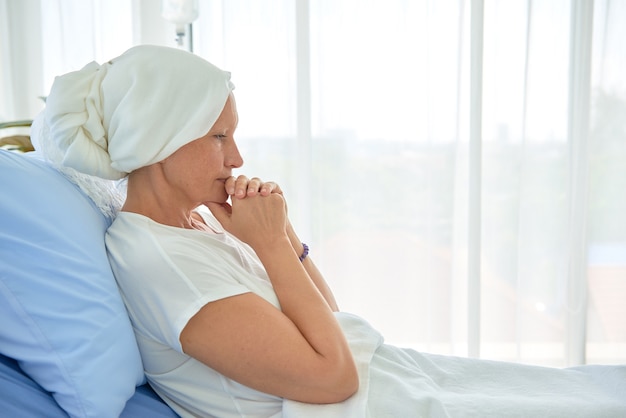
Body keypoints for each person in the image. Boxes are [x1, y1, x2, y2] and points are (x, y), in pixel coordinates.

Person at [37, 45, 626, 418]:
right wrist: (266, 246)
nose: (236, 157)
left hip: (384, 382)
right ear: (157, 140)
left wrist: (285, 240)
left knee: (595, 394)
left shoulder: (191, 227)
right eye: (218, 136)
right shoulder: (156, 261)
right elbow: (331, 377)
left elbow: (330, 320)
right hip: (356, 400)